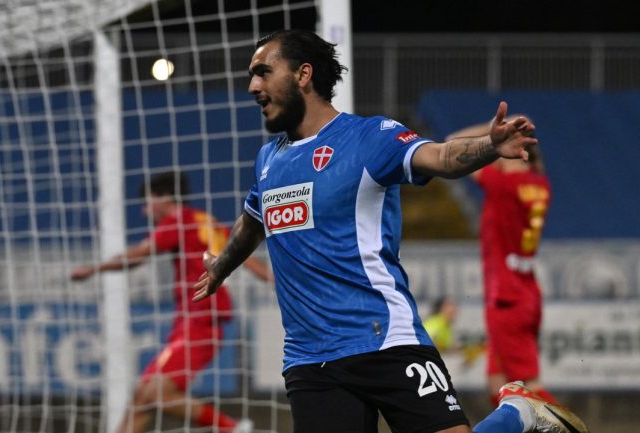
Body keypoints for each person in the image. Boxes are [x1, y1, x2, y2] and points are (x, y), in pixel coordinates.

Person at [193, 30, 588, 433]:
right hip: (309, 361)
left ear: (303, 75)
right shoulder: (268, 159)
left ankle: (516, 414)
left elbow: (442, 156)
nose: (252, 86)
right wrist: (222, 265)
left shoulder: (369, 137)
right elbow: (251, 221)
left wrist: (489, 145)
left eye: (263, 72)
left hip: (383, 339)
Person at [71, 170, 270, 433]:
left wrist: (96, 268)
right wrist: (276, 280)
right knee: (141, 399)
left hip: (201, 320)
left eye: (147, 202)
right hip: (196, 321)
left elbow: (139, 255)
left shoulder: (178, 221)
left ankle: (233, 429)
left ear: (165, 198)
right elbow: (244, 256)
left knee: (155, 394)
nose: (145, 212)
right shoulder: (205, 221)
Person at [446, 120, 555, 407]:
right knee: (496, 380)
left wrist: (491, 130)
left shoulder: (502, 184)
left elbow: (452, 141)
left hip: (507, 296)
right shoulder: (540, 184)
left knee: (531, 391)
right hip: (527, 291)